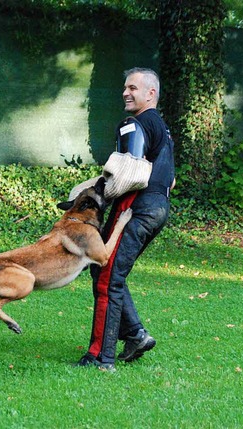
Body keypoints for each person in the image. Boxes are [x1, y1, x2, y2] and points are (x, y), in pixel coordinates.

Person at [76, 67, 175, 371]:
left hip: (135, 206)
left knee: (106, 277)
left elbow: (127, 173)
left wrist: (95, 190)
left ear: (151, 94)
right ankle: (134, 335)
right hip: (158, 208)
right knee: (106, 272)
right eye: (125, 88)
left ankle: (100, 357)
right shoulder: (162, 129)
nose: (125, 93)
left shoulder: (134, 124)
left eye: (133, 88)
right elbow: (171, 181)